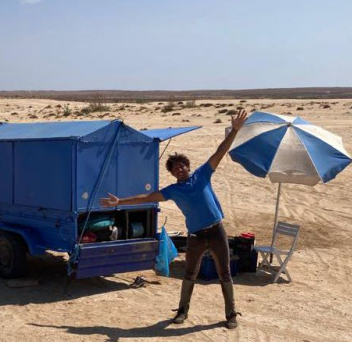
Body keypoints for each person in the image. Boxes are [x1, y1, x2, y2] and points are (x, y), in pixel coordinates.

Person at [100, 109, 248, 329]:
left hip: (216, 231)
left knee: (224, 273)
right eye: (175, 169)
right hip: (196, 236)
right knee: (190, 274)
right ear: (172, 173)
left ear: (187, 166)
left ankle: (231, 315)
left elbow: (220, 151)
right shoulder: (172, 190)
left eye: (181, 166)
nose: (179, 170)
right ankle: (182, 312)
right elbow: (148, 197)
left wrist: (234, 131)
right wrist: (120, 202)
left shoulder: (203, 174)